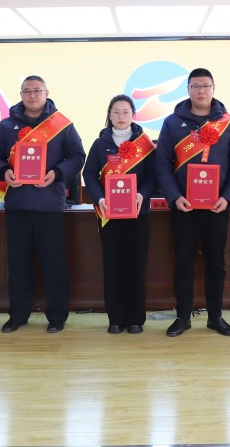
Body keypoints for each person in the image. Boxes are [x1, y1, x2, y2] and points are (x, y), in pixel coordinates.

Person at [0, 75, 86, 333]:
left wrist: (58, 173)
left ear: (46, 93)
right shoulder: (7, 125)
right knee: (18, 264)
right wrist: (4, 171)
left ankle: (57, 316)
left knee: (54, 263)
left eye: (37, 91)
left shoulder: (62, 125)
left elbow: (77, 156)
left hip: (49, 204)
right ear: (21, 94)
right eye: (27, 91)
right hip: (17, 204)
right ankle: (17, 315)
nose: (32, 95)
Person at [154, 68, 230, 337]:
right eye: (195, 86)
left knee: (216, 263)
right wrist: (175, 197)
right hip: (184, 206)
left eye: (206, 86)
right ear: (188, 90)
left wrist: (227, 197)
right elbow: (162, 163)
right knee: (184, 264)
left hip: (217, 207)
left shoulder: (229, 123)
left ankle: (215, 317)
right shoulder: (172, 122)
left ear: (213, 88)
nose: (201, 91)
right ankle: (182, 317)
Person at [82, 95, 156, 334]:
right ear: (109, 115)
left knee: (136, 265)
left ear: (133, 115)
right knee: (112, 265)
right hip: (108, 214)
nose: (121, 116)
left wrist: (142, 194)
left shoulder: (145, 143)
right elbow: (89, 175)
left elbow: (153, 175)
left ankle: (136, 319)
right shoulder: (99, 144)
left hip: (138, 213)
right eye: (116, 112)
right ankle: (115, 318)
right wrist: (100, 198)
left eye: (125, 112)